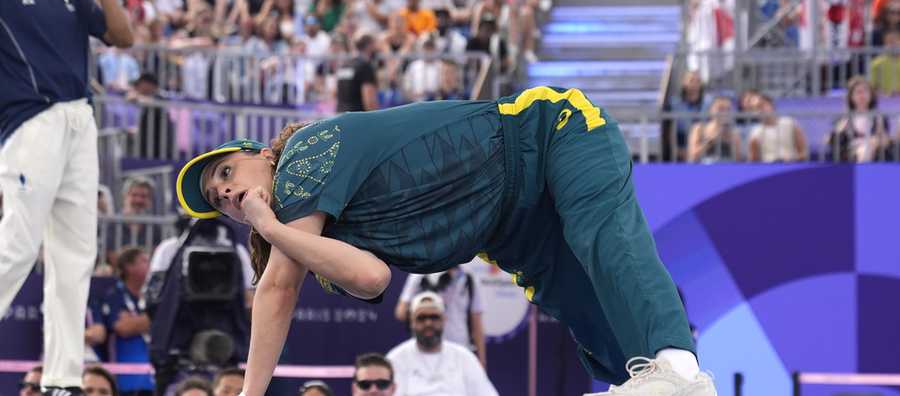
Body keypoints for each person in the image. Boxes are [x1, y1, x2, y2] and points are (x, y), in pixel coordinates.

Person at [176, 85, 715, 395]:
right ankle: (656, 380)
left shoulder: (302, 153)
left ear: (261, 154)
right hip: (510, 229)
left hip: (546, 134)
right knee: (594, 325)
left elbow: (277, 291)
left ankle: (685, 373)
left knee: (605, 241)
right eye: (215, 197)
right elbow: (371, 279)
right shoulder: (314, 241)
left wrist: (269, 229)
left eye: (224, 173)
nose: (223, 192)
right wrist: (276, 234)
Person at [0, 0, 133, 396]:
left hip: (80, 117)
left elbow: (123, 35)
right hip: (31, 120)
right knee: (18, 241)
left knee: (76, 254)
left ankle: (62, 378)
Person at [386, 292, 497, 395]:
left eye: (434, 317)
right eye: (421, 318)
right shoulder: (396, 359)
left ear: (444, 320)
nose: (428, 323)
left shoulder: (464, 357)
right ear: (411, 322)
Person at [394, 266, 487, 366]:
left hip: (460, 348)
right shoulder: (421, 273)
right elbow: (401, 312)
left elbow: (476, 322)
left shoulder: (468, 277)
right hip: (426, 348)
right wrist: (425, 304)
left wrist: (481, 361)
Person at [101, 247, 154, 396]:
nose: (150, 265)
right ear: (129, 267)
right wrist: (154, 318)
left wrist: (136, 322)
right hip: (126, 379)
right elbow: (123, 328)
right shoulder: (116, 295)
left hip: (152, 377)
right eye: (144, 261)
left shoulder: (152, 295)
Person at [747, 95, 808, 162]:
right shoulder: (755, 133)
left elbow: (803, 153)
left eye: (762, 105)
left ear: (771, 105)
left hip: (792, 167)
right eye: (755, 108)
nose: (760, 110)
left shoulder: (790, 123)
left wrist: (791, 160)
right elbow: (753, 160)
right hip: (769, 169)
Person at [335, 33, 380, 113]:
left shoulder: (344, 66)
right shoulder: (365, 67)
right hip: (358, 118)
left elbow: (336, 93)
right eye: (374, 45)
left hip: (340, 116)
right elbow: (369, 101)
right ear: (369, 46)